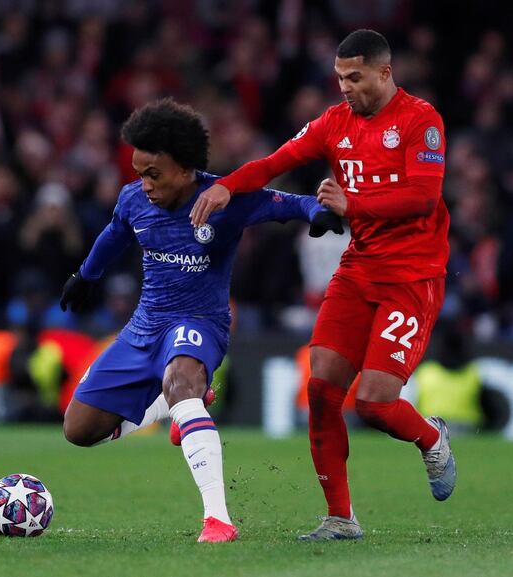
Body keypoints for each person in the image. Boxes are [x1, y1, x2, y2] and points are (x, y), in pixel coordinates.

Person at [190, 29, 457, 540]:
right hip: (358, 270)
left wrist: (352, 205)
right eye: (339, 78)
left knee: (375, 404)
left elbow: (424, 199)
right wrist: (227, 185)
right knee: (321, 390)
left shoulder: (421, 121)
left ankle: (431, 439)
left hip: (412, 277)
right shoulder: (335, 123)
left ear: (385, 72)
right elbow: (274, 164)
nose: (345, 88)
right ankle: (340, 518)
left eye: (354, 77)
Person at [59, 98, 343, 543]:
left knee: (181, 381)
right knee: (78, 431)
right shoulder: (134, 200)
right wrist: (85, 276)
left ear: (187, 168)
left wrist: (318, 214)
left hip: (200, 322)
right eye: (139, 173)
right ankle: (178, 405)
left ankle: (218, 520)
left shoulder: (222, 199)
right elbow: (115, 235)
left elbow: (288, 201)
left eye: (154, 174)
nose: (145, 184)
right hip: (144, 326)